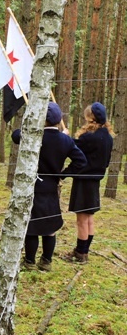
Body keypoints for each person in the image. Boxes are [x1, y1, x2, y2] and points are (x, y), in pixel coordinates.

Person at [11, 102, 87, 272]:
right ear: (58, 120)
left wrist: (30, 127)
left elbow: (16, 135)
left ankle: (30, 262)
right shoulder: (64, 139)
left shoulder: (34, 137)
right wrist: (62, 174)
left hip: (34, 186)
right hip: (51, 187)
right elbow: (81, 162)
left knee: (32, 226)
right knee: (49, 226)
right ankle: (46, 261)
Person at [62, 102, 114, 264]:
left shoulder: (89, 137)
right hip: (94, 181)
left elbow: (72, 149)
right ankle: (84, 252)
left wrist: (64, 136)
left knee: (82, 220)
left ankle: (80, 254)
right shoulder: (107, 135)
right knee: (89, 218)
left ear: (91, 117)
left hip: (84, 182)